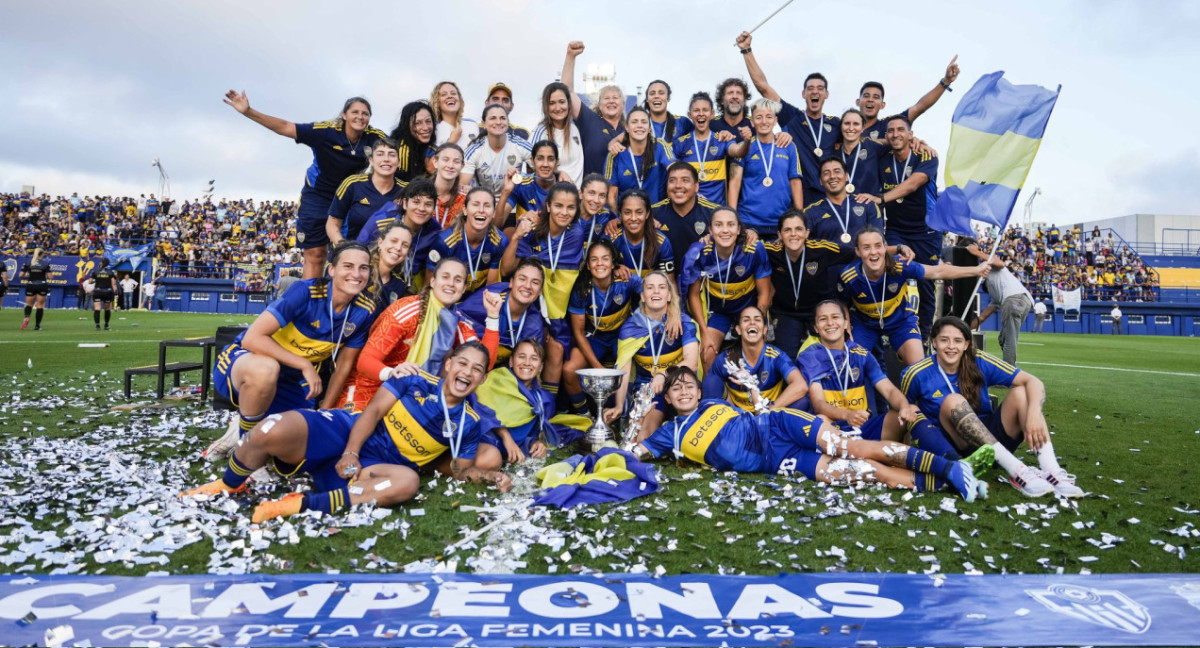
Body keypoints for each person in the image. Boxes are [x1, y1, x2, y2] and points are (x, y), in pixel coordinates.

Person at [185, 342, 511, 522]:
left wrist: (489, 477)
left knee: (407, 482)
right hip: (348, 432)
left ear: (482, 379)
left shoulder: (469, 422)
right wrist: (351, 451)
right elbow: (372, 412)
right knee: (271, 429)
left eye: (477, 370)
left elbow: (461, 470)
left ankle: (298, 504)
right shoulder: (414, 379)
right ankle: (228, 485)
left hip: (375, 468)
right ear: (449, 364)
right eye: (463, 363)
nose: (468, 372)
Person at [634, 366, 982, 501]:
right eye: (676, 389)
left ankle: (948, 466)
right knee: (863, 473)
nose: (683, 392)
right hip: (776, 461)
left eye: (689, 386)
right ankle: (952, 480)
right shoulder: (669, 434)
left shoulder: (712, 403)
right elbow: (635, 452)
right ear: (667, 397)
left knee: (854, 448)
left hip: (780, 424)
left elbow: (755, 412)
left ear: (698, 391)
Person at [206, 242, 377, 460]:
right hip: (245, 364)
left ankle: (239, 427)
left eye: (363, 268)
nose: (356, 274)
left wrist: (323, 411)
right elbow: (252, 338)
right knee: (267, 369)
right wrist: (304, 364)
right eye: (348, 266)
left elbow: (343, 367)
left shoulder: (365, 310)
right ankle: (246, 451)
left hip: (292, 381)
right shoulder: (305, 291)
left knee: (298, 444)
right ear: (332, 270)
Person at [900, 317, 1083, 498]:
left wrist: (1034, 413)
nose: (951, 346)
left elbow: (1032, 381)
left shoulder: (978, 360)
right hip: (959, 449)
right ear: (933, 343)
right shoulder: (915, 373)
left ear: (966, 344)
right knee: (952, 401)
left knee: (1021, 393)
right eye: (944, 340)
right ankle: (1018, 471)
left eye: (957, 340)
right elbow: (904, 415)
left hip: (995, 442)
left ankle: (1052, 471)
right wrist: (904, 454)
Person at [223, 91, 385, 279]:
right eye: (355, 112)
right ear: (344, 115)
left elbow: (399, 153)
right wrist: (248, 111)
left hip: (349, 199)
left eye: (365, 113)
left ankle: (339, 302)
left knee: (346, 254)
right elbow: (285, 127)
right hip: (317, 197)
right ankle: (310, 301)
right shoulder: (325, 132)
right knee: (316, 255)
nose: (360, 116)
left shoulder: (375, 138)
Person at [798, 301, 979, 461]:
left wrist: (904, 406)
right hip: (833, 429)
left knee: (910, 411)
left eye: (835, 317)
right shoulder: (810, 355)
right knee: (820, 420)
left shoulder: (861, 354)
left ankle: (952, 459)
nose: (830, 323)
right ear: (815, 327)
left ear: (846, 323)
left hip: (864, 427)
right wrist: (847, 415)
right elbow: (818, 404)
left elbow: (889, 390)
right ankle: (868, 456)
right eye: (823, 319)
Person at [345, 256, 500, 414]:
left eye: (458, 279)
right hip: (370, 387)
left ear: (464, 287)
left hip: (411, 398)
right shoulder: (407, 311)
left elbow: (483, 363)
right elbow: (365, 361)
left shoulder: (457, 321)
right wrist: (393, 373)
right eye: (445, 277)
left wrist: (493, 316)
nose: (451, 284)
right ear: (432, 281)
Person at [838, 227, 987, 366]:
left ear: (885, 247)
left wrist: (976, 270)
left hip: (900, 321)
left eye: (878, 246)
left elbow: (937, 272)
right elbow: (842, 302)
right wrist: (847, 328)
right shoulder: (848, 276)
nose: (873, 252)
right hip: (865, 324)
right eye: (866, 247)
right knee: (851, 367)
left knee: (919, 368)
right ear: (858, 251)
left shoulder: (900, 266)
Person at [856, 115, 941, 338]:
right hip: (896, 230)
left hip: (926, 231)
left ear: (910, 135)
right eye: (890, 131)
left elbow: (914, 184)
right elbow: (866, 142)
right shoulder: (884, 158)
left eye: (901, 130)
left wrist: (881, 199)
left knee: (925, 285)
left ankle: (924, 336)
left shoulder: (926, 155)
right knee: (885, 272)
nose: (895, 134)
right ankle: (889, 327)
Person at [499, 182, 586, 394]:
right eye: (558, 206)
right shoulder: (532, 228)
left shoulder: (575, 233)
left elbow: (541, 264)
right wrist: (518, 236)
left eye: (570, 208)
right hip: (528, 298)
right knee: (531, 347)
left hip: (555, 307)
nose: (564, 213)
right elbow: (507, 270)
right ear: (547, 206)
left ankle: (547, 404)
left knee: (555, 348)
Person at [737, 31, 839, 205]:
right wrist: (747, 50)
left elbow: (860, 139)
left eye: (820, 88)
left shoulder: (836, 124)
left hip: (831, 194)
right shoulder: (793, 117)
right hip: (801, 196)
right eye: (810, 88)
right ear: (803, 94)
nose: (815, 91)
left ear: (827, 94)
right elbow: (763, 87)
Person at [681, 207, 772, 370]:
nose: (724, 230)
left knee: (756, 351)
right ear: (710, 229)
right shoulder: (701, 252)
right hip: (718, 312)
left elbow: (765, 292)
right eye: (718, 225)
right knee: (707, 351)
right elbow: (693, 295)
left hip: (748, 309)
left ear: (738, 229)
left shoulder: (753, 249)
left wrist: (759, 321)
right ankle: (710, 394)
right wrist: (704, 332)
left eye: (730, 225)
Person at [607, 271, 696, 433]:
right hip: (648, 387)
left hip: (680, 383)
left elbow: (692, 363)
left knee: (690, 431)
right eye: (650, 287)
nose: (656, 291)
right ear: (642, 296)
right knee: (640, 437)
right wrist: (619, 406)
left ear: (669, 296)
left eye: (661, 287)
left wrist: (663, 374)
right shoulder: (630, 328)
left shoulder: (682, 321)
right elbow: (624, 371)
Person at [764, 210, 856, 359]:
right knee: (786, 359)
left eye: (798, 229)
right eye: (787, 230)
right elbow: (744, 249)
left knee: (833, 356)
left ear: (807, 233)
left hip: (819, 311)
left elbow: (858, 252)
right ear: (779, 235)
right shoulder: (770, 251)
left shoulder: (821, 249)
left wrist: (898, 249)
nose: (793, 234)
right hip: (786, 313)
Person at [563, 239, 641, 412]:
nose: (600, 264)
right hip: (595, 338)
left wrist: (673, 314)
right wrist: (598, 368)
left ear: (613, 263)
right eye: (594, 259)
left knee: (631, 370)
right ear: (588, 265)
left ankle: (627, 414)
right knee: (569, 370)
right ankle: (585, 415)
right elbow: (579, 332)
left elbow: (653, 291)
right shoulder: (581, 289)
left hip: (622, 335)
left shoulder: (626, 279)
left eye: (605, 258)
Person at [703, 305, 807, 412]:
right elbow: (710, 386)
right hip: (738, 418)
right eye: (746, 320)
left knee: (802, 401)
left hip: (769, 414)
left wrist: (769, 410)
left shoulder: (776, 356)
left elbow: (800, 385)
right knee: (711, 381)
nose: (752, 323)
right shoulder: (726, 359)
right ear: (738, 329)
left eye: (757, 319)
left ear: (765, 329)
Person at [474, 339, 557, 468]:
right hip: (483, 439)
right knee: (488, 459)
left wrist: (535, 443)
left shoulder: (542, 399)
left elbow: (529, 432)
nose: (527, 363)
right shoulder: (497, 380)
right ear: (511, 361)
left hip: (507, 448)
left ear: (541, 366)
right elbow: (479, 409)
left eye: (534, 358)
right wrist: (506, 437)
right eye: (521, 357)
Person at [728, 98, 804, 236]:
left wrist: (800, 219)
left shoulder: (788, 146)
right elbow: (734, 182)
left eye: (769, 117)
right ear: (752, 121)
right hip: (749, 222)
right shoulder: (743, 147)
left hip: (781, 223)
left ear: (775, 120)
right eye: (759, 117)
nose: (764, 121)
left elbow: (795, 182)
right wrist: (733, 219)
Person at [457, 258, 547, 366]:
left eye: (535, 282)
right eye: (522, 279)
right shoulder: (488, 301)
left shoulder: (535, 325)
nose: (528, 286)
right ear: (511, 282)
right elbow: (456, 319)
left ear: (540, 291)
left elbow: (529, 365)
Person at [357, 179, 441, 293]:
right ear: (405, 203)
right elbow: (358, 250)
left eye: (428, 204)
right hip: (373, 276)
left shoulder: (434, 231)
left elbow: (431, 267)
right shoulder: (381, 221)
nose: (421, 208)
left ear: (434, 208)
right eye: (416, 202)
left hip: (408, 282)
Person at [856, 56, 960, 142]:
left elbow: (919, 107)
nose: (870, 100)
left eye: (876, 97)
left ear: (882, 105)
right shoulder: (844, 126)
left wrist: (946, 81)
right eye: (866, 96)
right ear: (858, 102)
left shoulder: (889, 125)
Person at [560, 41, 626, 175]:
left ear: (623, 104)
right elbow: (567, 91)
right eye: (606, 98)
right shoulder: (590, 121)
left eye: (615, 98)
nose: (611, 101)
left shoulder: (629, 130)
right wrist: (570, 56)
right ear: (599, 105)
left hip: (621, 194)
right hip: (592, 191)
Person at [427, 187, 507, 299]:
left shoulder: (499, 241)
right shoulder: (444, 242)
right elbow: (430, 286)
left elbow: (491, 288)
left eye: (487, 206)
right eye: (475, 204)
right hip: (446, 300)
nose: (481, 210)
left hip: (477, 303)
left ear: (494, 213)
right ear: (465, 210)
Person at [325, 138, 405, 246]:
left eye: (391, 154)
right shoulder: (352, 184)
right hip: (355, 255)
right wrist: (343, 247)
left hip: (391, 256)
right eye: (380, 154)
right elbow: (332, 223)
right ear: (371, 160)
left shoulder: (407, 190)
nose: (386, 159)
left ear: (399, 162)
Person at [671, 92, 748, 204]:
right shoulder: (680, 143)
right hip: (690, 207)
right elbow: (673, 176)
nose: (701, 114)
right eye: (696, 110)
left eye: (705, 110)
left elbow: (738, 151)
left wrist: (747, 141)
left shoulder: (722, 139)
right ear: (690, 115)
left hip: (716, 210)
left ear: (712, 114)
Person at [967, 248, 1035, 365]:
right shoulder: (996, 297)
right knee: (1003, 338)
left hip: (1012, 300)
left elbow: (1000, 263)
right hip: (1026, 301)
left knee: (1009, 340)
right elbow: (982, 318)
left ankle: (1009, 374)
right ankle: (1010, 367)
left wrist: (977, 252)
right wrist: (965, 330)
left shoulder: (991, 269)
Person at [604, 107, 675, 208]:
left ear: (649, 128)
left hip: (657, 217)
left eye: (644, 122)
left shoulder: (660, 145)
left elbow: (676, 170)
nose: (639, 126)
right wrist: (617, 220)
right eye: (634, 122)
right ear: (627, 128)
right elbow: (611, 196)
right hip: (628, 218)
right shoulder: (615, 154)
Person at [461, 104, 532, 202]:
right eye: (493, 118)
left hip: (513, 203)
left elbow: (543, 163)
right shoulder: (474, 149)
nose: (498, 122)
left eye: (502, 118)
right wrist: (466, 189)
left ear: (508, 122)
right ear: (484, 124)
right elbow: (462, 185)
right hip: (484, 204)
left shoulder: (519, 144)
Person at [651, 162, 720, 262]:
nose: (678, 185)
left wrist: (751, 232)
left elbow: (738, 231)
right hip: (663, 275)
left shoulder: (714, 212)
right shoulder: (653, 213)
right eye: (672, 181)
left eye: (685, 180)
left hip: (703, 275)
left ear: (696, 187)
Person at [806, 157, 883, 244]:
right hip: (831, 258)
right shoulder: (810, 212)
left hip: (863, 257)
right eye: (826, 173)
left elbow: (879, 244)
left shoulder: (867, 204)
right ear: (820, 181)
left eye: (837, 171)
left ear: (846, 176)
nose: (832, 176)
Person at [496, 140, 561, 233]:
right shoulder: (522, 185)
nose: (545, 164)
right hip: (526, 245)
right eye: (540, 158)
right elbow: (497, 225)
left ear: (556, 162)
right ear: (532, 161)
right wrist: (506, 191)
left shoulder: (564, 187)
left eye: (550, 159)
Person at [611, 189, 675, 280]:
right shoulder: (613, 239)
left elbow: (670, 282)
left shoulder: (661, 242)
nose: (633, 218)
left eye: (639, 212)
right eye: (627, 212)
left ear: (647, 214)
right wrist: (614, 268)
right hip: (621, 294)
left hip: (652, 293)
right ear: (620, 214)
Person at [531, 82, 585, 186]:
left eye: (561, 102)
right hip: (554, 197)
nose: (558, 108)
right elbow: (531, 163)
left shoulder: (575, 129)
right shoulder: (540, 132)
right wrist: (557, 172)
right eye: (552, 103)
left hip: (577, 197)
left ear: (568, 103)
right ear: (546, 106)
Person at [833, 109, 889, 199]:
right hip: (842, 209)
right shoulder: (833, 152)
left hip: (870, 208)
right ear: (841, 126)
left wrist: (913, 141)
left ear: (863, 128)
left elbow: (898, 144)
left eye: (856, 124)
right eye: (847, 123)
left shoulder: (873, 147)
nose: (851, 128)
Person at [364, 222, 414, 312]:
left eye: (405, 245)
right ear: (380, 242)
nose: (398, 248)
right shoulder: (362, 269)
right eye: (394, 241)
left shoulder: (400, 285)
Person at [387, 101, 437, 182]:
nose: (425, 127)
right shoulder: (398, 149)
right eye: (417, 123)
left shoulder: (431, 146)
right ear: (406, 125)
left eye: (428, 121)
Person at [430, 143, 467, 229]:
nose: (450, 166)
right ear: (435, 162)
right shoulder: (420, 193)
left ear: (462, 166)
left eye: (456, 161)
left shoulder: (466, 199)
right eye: (445, 160)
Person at [431, 81, 478, 148]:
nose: (450, 96)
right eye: (444, 94)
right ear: (437, 102)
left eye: (453, 93)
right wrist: (452, 141)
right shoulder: (433, 130)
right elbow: (433, 158)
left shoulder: (472, 124)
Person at [18, 249, 51, 330]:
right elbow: (50, 277)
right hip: (41, 284)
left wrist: (29, 275)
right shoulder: (45, 263)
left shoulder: (28, 262)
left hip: (31, 284)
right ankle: (37, 326)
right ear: (42, 254)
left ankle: (26, 317)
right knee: (40, 305)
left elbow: (20, 275)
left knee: (29, 304)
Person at [89, 257, 118, 331]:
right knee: (107, 309)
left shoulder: (95, 271)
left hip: (97, 291)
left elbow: (89, 281)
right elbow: (114, 284)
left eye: (100, 262)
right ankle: (106, 325)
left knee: (97, 309)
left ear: (102, 263)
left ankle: (97, 326)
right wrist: (116, 293)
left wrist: (96, 281)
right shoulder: (111, 272)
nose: (99, 263)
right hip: (107, 292)